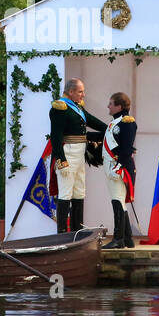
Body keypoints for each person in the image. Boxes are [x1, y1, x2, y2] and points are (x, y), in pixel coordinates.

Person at [48, 78, 107, 233]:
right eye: (80, 91)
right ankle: (62, 232)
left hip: (80, 154)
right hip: (68, 153)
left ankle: (77, 230)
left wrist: (110, 128)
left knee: (79, 191)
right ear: (71, 91)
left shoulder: (77, 107)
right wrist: (61, 160)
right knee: (65, 191)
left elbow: (92, 121)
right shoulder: (60, 107)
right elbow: (56, 136)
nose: (83, 95)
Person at [102, 92, 137, 248]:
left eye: (111, 103)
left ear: (119, 106)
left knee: (117, 201)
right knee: (119, 201)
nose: (108, 106)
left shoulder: (127, 122)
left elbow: (127, 149)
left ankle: (118, 239)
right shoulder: (115, 122)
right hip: (113, 166)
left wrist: (118, 167)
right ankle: (127, 239)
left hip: (119, 167)